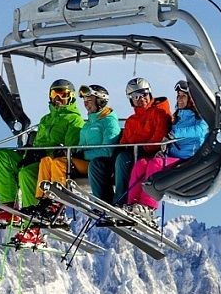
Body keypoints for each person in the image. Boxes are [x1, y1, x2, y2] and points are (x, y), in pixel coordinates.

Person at [0, 78, 83, 225]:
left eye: (63, 94)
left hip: (49, 162)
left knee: (26, 172)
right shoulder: (45, 119)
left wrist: (46, 153)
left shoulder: (74, 120)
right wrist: (29, 152)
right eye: (55, 94)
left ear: (71, 96)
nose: (58, 98)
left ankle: (30, 217)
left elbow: (71, 148)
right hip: (33, 156)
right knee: (1, 155)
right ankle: (8, 206)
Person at [127, 79, 210, 212]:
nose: (179, 99)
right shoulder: (178, 117)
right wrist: (164, 151)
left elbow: (200, 130)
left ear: (192, 99)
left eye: (183, 96)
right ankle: (132, 204)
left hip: (188, 160)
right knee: (141, 164)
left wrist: (174, 133)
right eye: (178, 96)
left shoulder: (201, 118)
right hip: (172, 157)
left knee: (156, 164)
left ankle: (147, 206)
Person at [115, 77, 171, 208]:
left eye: (144, 94)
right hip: (134, 154)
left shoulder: (159, 113)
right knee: (115, 160)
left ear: (149, 94)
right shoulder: (131, 121)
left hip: (151, 155)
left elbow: (159, 137)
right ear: (131, 100)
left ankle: (121, 201)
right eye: (136, 96)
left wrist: (142, 149)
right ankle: (118, 201)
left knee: (124, 160)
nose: (141, 99)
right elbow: (125, 142)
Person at [76, 84, 122, 203]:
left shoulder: (109, 122)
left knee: (95, 165)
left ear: (100, 101)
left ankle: (103, 202)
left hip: (100, 164)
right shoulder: (87, 124)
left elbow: (107, 151)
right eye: (85, 100)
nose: (86, 103)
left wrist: (83, 155)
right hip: (84, 162)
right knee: (53, 161)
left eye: (89, 100)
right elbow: (80, 147)